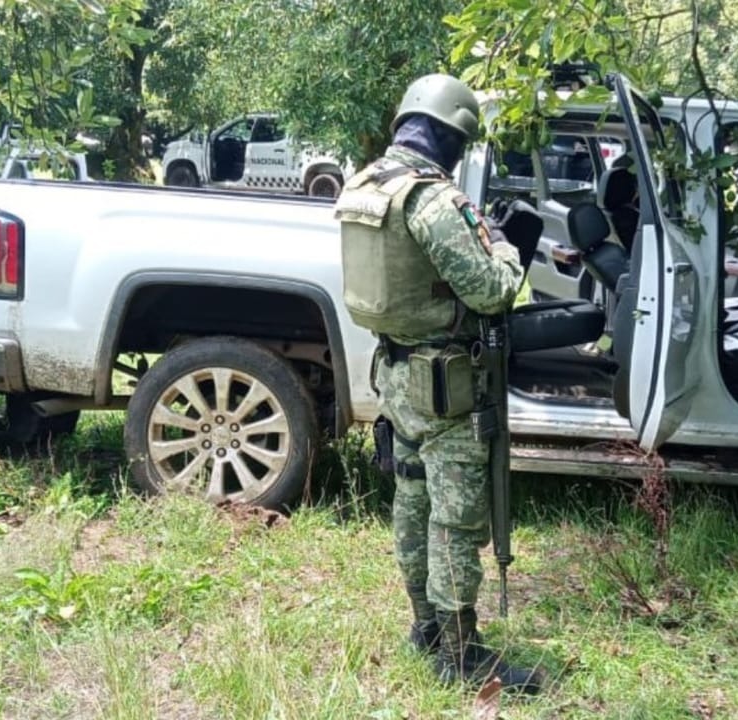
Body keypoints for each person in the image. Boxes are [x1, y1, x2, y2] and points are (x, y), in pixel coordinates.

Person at [334, 73, 542, 694]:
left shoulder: (366, 185)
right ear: (453, 136)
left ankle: (423, 627)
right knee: (452, 518)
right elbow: (491, 289)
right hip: (446, 387)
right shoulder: (432, 199)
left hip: (395, 375)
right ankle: (459, 651)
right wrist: (505, 246)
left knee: (412, 500)